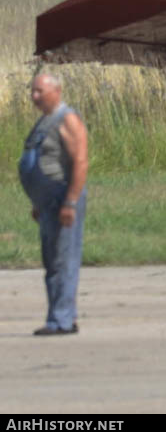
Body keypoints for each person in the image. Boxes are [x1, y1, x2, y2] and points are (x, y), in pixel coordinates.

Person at [19, 73, 89, 336]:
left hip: (63, 200)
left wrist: (70, 202)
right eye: (32, 91)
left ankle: (62, 320)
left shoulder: (67, 118)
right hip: (47, 203)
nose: (34, 97)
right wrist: (37, 200)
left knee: (63, 259)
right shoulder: (43, 122)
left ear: (56, 90)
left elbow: (80, 162)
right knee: (52, 261)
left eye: (39, 91)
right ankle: (59, 317)